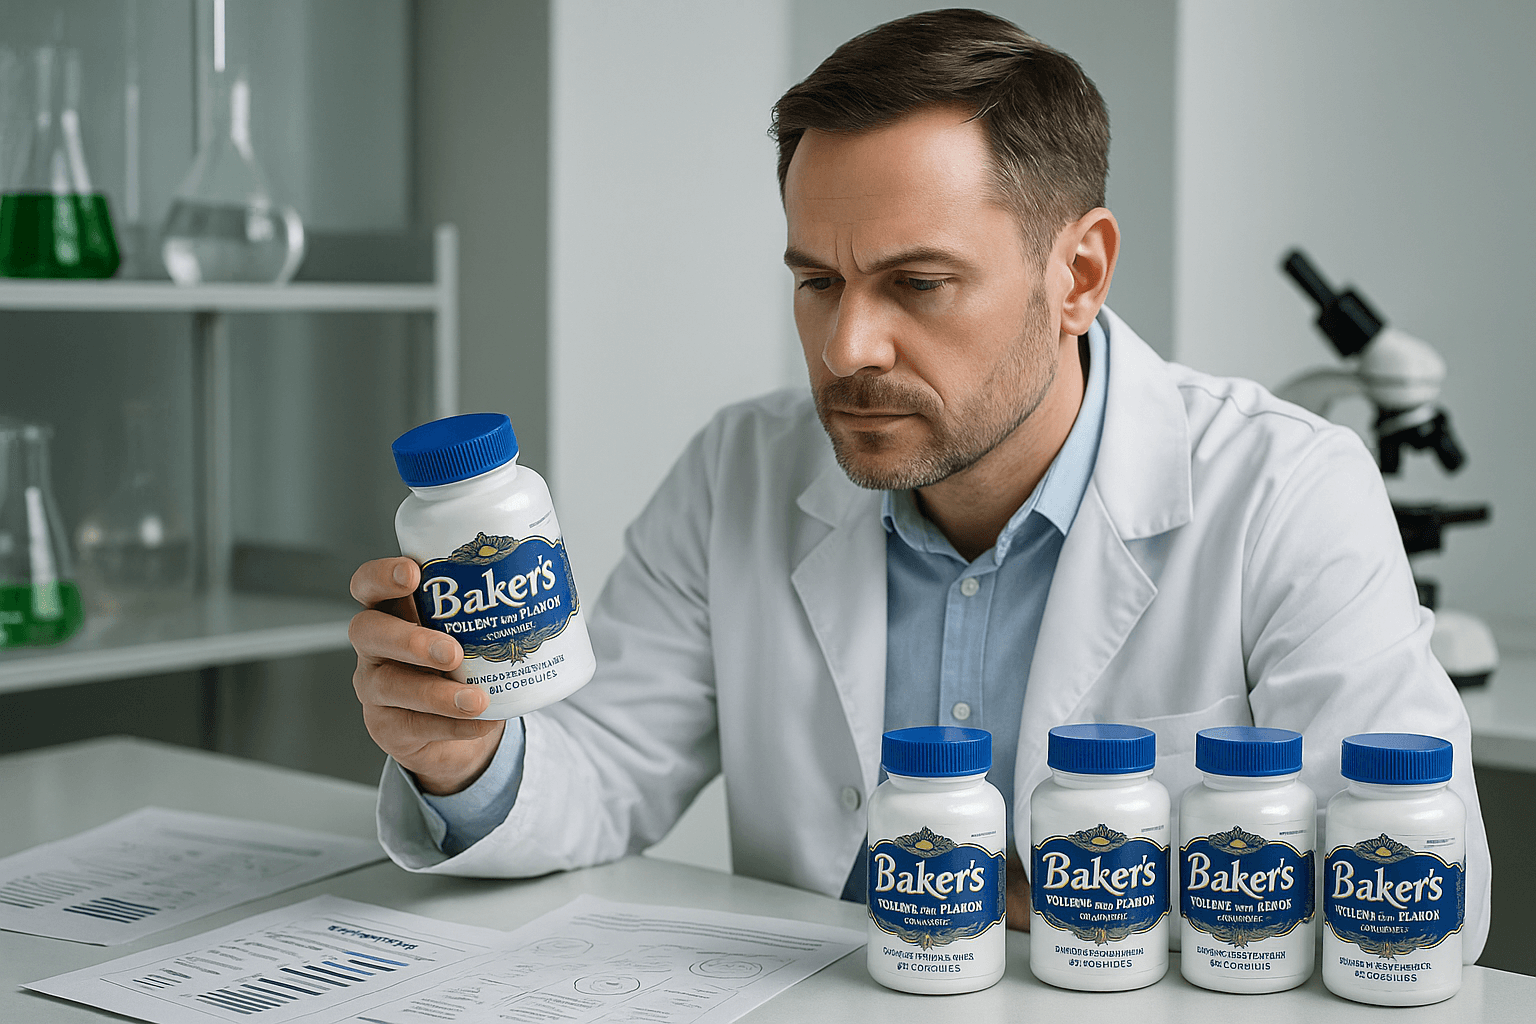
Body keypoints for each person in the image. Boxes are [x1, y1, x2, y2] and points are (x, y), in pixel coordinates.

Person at [348, 9, 1489, 957]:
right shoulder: (739, 470)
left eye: (918, 283)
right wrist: (469, 759)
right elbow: (604, 772)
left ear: (1078, 272)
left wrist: (1117, 899)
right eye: (816, 282)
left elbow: (1427, 891)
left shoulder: (1287, 488)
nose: (847, 348)